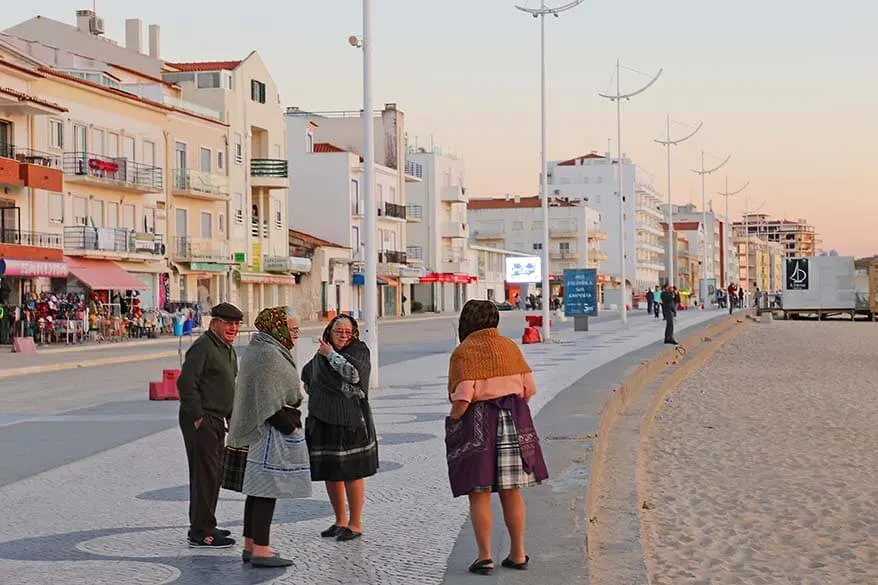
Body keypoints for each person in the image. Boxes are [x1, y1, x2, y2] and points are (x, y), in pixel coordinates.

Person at [445, 300, 549, 576]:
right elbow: (530, 389)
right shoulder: (510, 348)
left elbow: (464, 396)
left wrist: (454, 419)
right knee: (511, 491)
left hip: (480, 423)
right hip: (514, 420)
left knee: (478, 492)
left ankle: (485, 557)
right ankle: (517, 553)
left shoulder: (463, 352)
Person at [228, 306, 311, 568]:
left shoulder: (262, 347)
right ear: (279, 327)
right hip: (266, 433)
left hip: (255, 430)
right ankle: (261, 549)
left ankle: (251, 544)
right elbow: (270, 403)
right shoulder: (268, 354)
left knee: (256, 491)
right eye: (293, 329)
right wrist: (292, 428)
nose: (296, 335)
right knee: (266, 491)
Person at [302, 315, 378, 542]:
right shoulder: (321, 353)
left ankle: (355, 523)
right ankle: (340, 520)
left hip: (351, 421)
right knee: (331, 472)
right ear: (330, 332)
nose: (344, 336)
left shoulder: (359, 351)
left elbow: (354, 375)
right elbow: (308, 377)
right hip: (323, 419)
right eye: (339, 331)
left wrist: (331, 355)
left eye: (348, 332)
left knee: (352, 472)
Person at [176, 302, 243, 548]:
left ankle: (207, 523)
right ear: (214, 322)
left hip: (217, 419)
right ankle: (200, 530)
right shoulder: (203, 347)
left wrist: (232, 418)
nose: (233, 328)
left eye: (237, 324)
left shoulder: (226, 349)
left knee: (214, 475)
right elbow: (186, 383)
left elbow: (228, 387)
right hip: (202, 419)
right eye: (228, 323)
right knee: (205, 474)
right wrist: (198, 418)